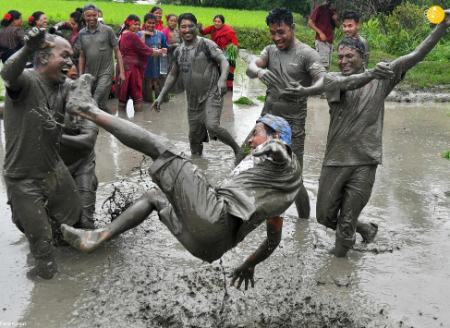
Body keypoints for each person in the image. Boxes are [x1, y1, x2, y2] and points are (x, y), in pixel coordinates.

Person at [61, 74, 301, 289]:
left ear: (275, 135)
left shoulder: (282, 160)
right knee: (154, 197)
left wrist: (273, 146)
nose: (250, 140)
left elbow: (281, 151)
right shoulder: (275, 192)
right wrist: (249, 264)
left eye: (256, 133)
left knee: (162, 148)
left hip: (213, 219)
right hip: (210, 248)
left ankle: (85, 108)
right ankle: (96, 237)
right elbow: (273, 240)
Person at [284, 10, 450, 257]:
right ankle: (368, 229)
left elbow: (415, 55)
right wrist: (370, 73)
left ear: (362, 57)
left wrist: (442, 26)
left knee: (346, 222)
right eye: (340, 57)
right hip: (335, 160)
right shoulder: (333, 79)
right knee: (324, 217)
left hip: (365, 160)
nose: (343, 61)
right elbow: (349, 83)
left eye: (349, 56)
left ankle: (337, 273)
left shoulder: (382, 78)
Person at [0, 28, 84, 279]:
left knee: (76, 219)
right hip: (23, 178)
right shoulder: (27, 80)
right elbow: (7, 74)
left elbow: (80, 93)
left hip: (53, 169)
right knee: (44, 253)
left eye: (72, 56)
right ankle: (48, 302)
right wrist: (27, 48)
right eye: (65, 55)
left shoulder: (61, 87)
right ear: (44, 58)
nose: (70, 61)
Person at [246, 8, 327, 219]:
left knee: (294, 176)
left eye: (281, 32)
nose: (276, 38)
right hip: (267, 120)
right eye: (272, 33)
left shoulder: (307, 53)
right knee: (247, 159)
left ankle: (303, 220)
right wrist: (259, 71)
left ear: (292, 28)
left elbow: (322, 80)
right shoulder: (270, 51)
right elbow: (251, 66)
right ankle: (253, 212)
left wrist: (306, 90)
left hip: (293, 125)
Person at [152, 13, 243, 160]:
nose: (187, 30)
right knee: (194, 139)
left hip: (212, 92)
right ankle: (198, 164)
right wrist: (161, 96)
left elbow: (224, 61)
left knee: (212, 126)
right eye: (183, 27)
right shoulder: (179, 51)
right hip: (193, 99)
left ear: (196, 27)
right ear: (179, 29)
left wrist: (222, 79)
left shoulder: (206, 44)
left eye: (190, 26)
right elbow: (173, 75)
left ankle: (237, 149)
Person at [59, 67, 99, 230]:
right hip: (55, 166)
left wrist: (55, 137)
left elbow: (88, 141)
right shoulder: (47, 99)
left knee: (85, 223)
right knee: (54, 226)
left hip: (83, 164)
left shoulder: (87, 104)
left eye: (74, 79)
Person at [76, 4, 125, 113]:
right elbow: (82, 55)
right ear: (84, 17)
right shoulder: (82, 33)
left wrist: (121, 72)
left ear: (98, 15)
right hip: (90, 73)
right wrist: (81, 75)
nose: (92, 18)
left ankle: (89, 126)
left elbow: (117, 51)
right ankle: (111, 121)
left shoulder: (107, 30)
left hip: (106, 72)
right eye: (88, 16)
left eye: (94, 15)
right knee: (100, 104)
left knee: (96, 99)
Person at [118, 14, 165, 112]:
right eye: (134, 24)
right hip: (133, 69)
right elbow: (143, 49)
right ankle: (140, 121)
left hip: (125, 68)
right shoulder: (132, 35)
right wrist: (159, 51)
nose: (137, 27)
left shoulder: (123, 34)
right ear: (128, 24)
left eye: (138, 25)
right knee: (137, 95)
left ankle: (122, 118)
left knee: (124, 94)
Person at [200, 14, 238, 90]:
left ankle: (228, 89)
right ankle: (215, 87)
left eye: (219, 22)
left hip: (226, 52)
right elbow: (204, 32)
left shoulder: (229, 31)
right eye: (215, 21)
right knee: (213, 68)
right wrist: (200, 28)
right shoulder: (212, 28)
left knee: (228, 69)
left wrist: (230, 49)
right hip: (215, 50)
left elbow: (234, 43)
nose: (216, 23)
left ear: (222, 23)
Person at [140, 13, 168, 104]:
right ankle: (147, 105)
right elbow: (139, 48)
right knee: (146, 90)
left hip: (157, 64)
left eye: (153, 23)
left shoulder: (160, 34)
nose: (151, 25)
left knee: (158, 86)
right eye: (149, 23)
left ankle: (160, 105)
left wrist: (163, 50)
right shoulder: (139, 34)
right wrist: (144, 34)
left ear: (156, 23)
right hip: (145, 65)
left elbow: (165, 47)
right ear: (144, 23)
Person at [308, 0, 338, 70]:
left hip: (330, 42)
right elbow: (310, 22)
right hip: (321, 42)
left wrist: (335, 19)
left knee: (327, 68)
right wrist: (320, 33)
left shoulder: (332, 11)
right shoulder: (319, 9)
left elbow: (338, 26)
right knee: (322, 67)